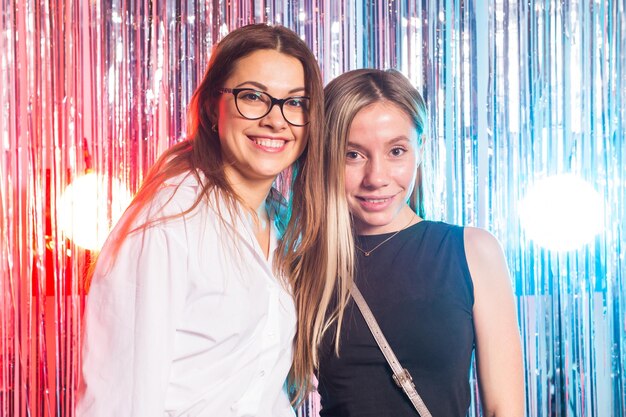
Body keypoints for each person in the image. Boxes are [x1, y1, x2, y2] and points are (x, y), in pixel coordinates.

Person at [76, 24, 350, 417]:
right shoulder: (169, 220)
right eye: (252, 96)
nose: (276, 120)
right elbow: (121, 400)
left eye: (295, 103)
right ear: (210, 106)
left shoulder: (283, 224)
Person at [316, 68, 524, 417]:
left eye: (396, 151)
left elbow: (505, 409)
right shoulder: (305, 266)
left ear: (420, 150)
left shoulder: (472, 251)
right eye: (353, 154)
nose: (376, 178)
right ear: (326, 156)